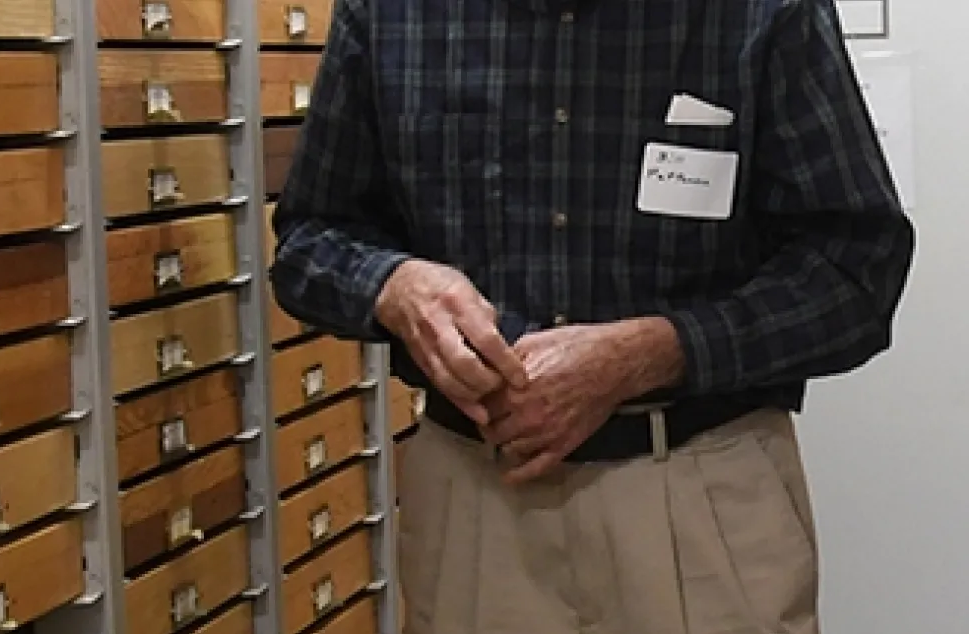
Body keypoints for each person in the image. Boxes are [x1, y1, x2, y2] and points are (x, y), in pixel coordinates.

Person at [267, 0, 917, 632]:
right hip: (475, 500)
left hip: (698, 491)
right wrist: (395, 286)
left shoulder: (765, 11)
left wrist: (657, 352)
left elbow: (855, 270)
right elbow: (309, 237)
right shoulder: (388, 13)